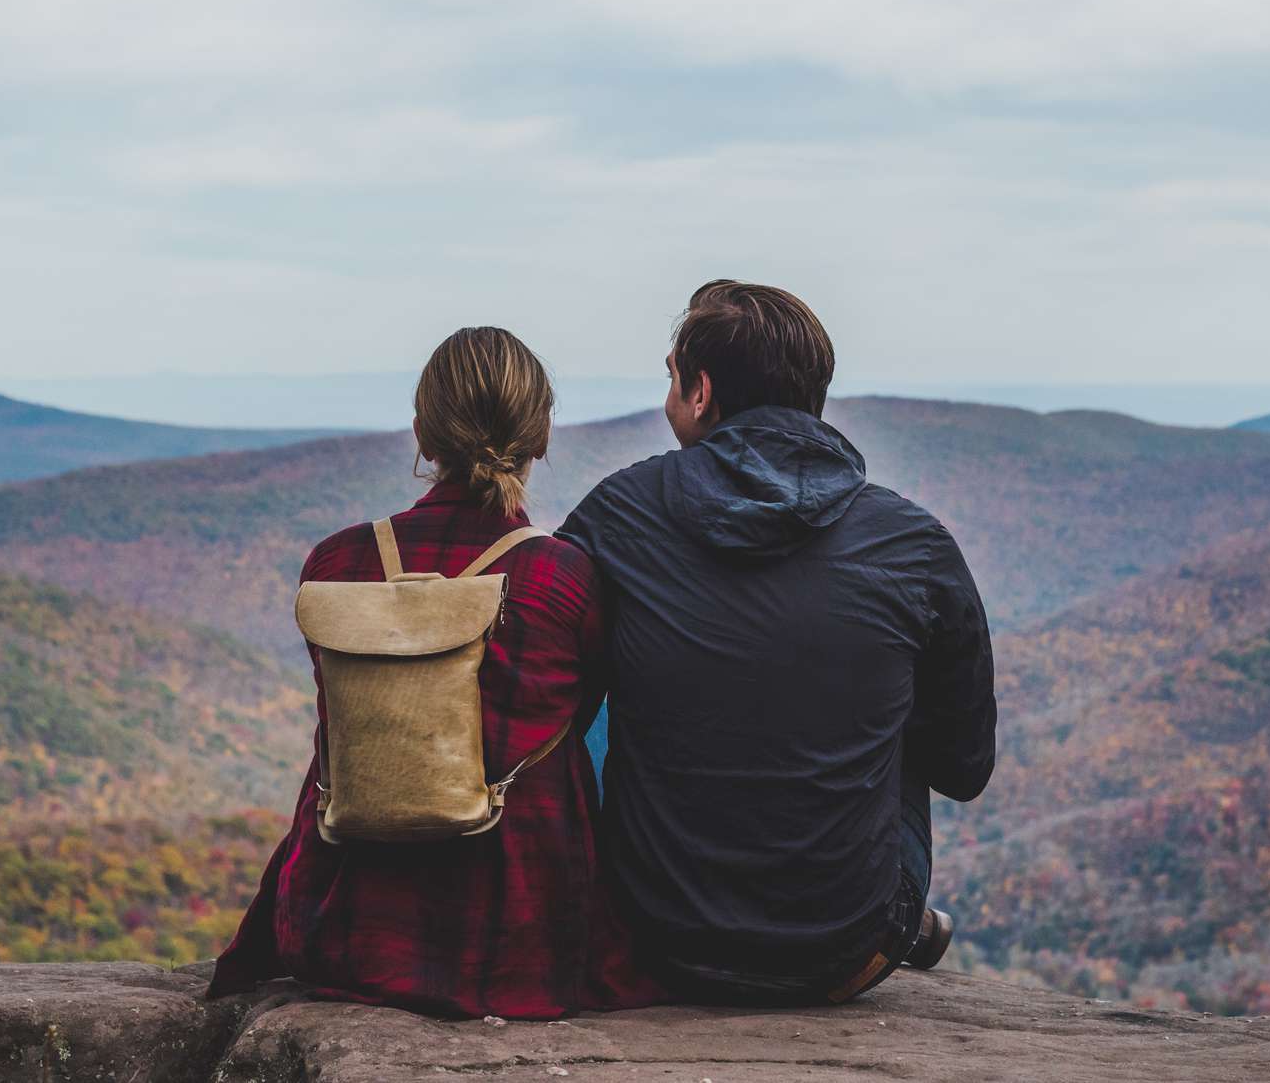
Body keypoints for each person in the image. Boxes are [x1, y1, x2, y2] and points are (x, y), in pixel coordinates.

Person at [558, 280, 996, 1005]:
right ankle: (894, 917)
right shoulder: (912, 543)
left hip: (654, 934)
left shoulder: (619, 516)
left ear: (700, 392)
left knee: (604, 672)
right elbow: (962, 765)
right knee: (891, 700)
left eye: (671, 374)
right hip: (846, 951)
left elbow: (549, 699)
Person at [207, 327, 661, 1018]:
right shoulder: (565, 579)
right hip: (524, 936)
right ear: (539, 437)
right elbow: (586, 713)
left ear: (421, 434)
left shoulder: (335, 565)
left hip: (346, 925)